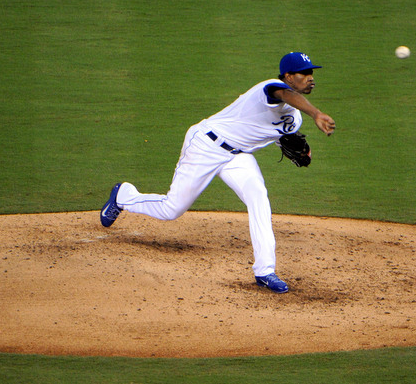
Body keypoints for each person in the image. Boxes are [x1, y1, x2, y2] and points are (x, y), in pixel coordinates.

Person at [100, 52, 336, 293]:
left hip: (237, 156)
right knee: (172, 209)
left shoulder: (295, 119)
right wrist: (316, 113)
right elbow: (285, 95)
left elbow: (280, 136)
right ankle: (124, 195)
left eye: (311, 73)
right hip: (206, 145)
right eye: (304, 73)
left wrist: (304, 151)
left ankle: (265, 271)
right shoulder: (271, 88)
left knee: (258, 198)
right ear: (288, 76)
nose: (310, 78)